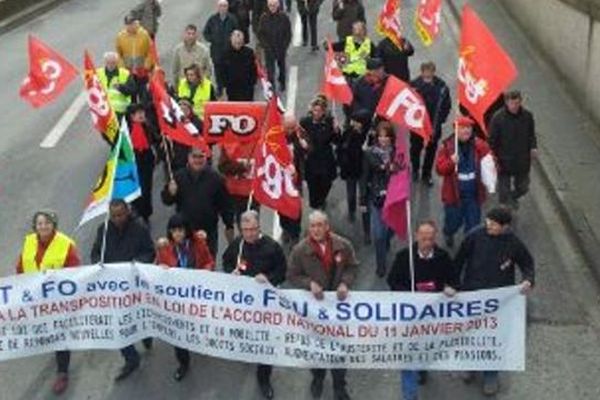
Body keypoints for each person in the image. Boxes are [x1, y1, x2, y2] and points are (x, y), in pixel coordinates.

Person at [454, 207, 535, 396]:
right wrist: (454, 285)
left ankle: (491, 375)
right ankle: (470, 366)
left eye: (493, 223)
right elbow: (458, 261)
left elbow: (527, 264)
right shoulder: (474, 236)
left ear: (505, 226)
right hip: (473, 295)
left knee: (493, 337)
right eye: (487, 221)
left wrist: (528, 280)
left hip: (499, 300)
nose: (488, 225)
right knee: (471, 334)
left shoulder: (514, 243)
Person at [287, 210, 358, 400]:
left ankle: (339, 385)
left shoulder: (343, 246)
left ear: (327, 227)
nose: (316, 229)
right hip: (315, 309)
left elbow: (352, 266)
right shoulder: (300, 250)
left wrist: (345, 282)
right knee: (316, 348)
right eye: (312, 226)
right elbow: (292, 275)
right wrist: (308, 284)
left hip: (337, 309)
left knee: (339, 348)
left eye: (320, 225)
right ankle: (317, 378)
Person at [387, 221, 456, 400]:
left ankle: (423, 366)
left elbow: (454, 280)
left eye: (430, 238)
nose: (427, 242)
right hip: (409, 316)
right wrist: (410, 296)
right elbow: (392, 281)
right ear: (417, 236)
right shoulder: (404, 256)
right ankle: (410, 395)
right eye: (423, 238)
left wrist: (450, 288)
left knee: (425, 347)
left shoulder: (443, 257)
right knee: (408, 357)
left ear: (435, 238)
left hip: (432, 316)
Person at [222, 210, 287, 399]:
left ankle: (264, 379)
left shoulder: (272, 247)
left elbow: (282, 272)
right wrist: (230, 273)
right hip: (245, 307)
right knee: (247, 337)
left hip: (266, 307)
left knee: (265, 343)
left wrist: (268, 277)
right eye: (245, 230)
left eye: (252, 229)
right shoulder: (237, 245)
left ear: (259, 227)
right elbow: (226, 263)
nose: (249, 234)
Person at [15, 210, 81, 395]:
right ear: (35, 226)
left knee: (61, 335)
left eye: (47, 223)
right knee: (47, 331)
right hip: (36, 299)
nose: (43, 227)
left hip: (58, 301)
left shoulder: (66, 244)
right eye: (39, 223)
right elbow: (21, 266)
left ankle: (62, 372)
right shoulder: (29, 241)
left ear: (54, 225)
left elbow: (75, 271)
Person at [90, 199, 156, 381]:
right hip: (113, 288)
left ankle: (146, 335)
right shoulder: (103, 230)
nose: (117, 219)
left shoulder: (140, 228)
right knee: (118, 325)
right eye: (114, 216)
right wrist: (98, 264)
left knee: (139, 316)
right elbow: (95, 253)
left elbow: (150, 252)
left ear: (127, 211)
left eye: (120, 215)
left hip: (135, 286)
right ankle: (131, 358)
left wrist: (137, 263)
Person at [155, 214, 214, 381]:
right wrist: (161, 268)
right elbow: (158, 266)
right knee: (178, 333)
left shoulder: (198, 243)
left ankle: (202, 343)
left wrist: (206, 271)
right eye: (173, 231)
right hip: (176, 301)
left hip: (196, 296)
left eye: (180, 230)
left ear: (186, 230)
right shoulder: (164, 247)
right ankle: (183, 364)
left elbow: (209, 261)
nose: (177, 234)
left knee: (198, 325)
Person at [161, 146, 235, 257]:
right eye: (194, 156)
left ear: (206, 157)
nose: (197, 160)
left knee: (207, 264)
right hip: (184, 233)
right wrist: (170, 193)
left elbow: (225, 205)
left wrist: (229, 224)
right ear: (188, 157)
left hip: (208, 232)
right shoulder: (178, 177)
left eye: (201, 156)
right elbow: (167, 201)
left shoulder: (216, 179)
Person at [435, 116, 496, 248]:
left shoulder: (480, 145)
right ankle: (448, 232)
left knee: (473, 225)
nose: (466, 131)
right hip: (454, 195)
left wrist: (492, 166)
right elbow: (439, 169)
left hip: (473, 194)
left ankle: (469, 249)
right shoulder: (447, 147)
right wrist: (451, 162)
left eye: (468, 128)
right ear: (456, 130)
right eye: (462, 128)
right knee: (453, 222)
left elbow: (492, 162)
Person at [488, 90, 537, 209]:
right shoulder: (498, 118)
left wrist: (533, 146)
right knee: (503, 192)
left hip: (522, 160)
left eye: (517, 103)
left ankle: (512, 197)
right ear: (506, 103)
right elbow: (492, 139)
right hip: (504, 160)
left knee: (523, 187)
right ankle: (504, 212)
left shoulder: (527, 116)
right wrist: (492, 155)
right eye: (512, 103)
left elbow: (531, 134)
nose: (515, 106)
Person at [360, 121, 397, 277]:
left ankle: (387, 240)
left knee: (392, 229)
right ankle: (381, 265)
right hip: (376, 199)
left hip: (394, 198)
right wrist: (362, 200)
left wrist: (397, 169)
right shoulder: (369, 153)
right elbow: (364, 177)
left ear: (391, 138)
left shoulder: (397, 153)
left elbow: (404, 173)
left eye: (386, 136)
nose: (383, 139)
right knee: (379, 234)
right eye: (380, 136)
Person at [410, 61, 451, 186]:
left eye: (430, 71)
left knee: (431, 150)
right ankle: (415, 170)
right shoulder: (413, 85)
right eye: (426, 71)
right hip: (418, 126)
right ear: (422, 72)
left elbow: (446, 106)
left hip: (434, 125)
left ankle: (426, 174)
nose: (428, 73)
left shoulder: (442, 86)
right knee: (415, 149)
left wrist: (441, 121)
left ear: (433, 71)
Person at [336, 109, 370, 242]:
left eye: (355, 121)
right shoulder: (348, 132)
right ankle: (351, 211)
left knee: (363, 199)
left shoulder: (369, 136)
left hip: (363, 173)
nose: (352, 123)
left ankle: (367, 229)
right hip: (350, 171)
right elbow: (341, 147)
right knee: (351, 195)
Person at [301, 97, 340, 210]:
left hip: (326, 159)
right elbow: (299, 135)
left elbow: (337, 141)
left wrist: (336, 131)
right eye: (315, 110)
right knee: (312, 186)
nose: (317, 113)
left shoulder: (329, 122)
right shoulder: (305, 122)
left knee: (326, 183)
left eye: (319, 110)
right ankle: (315, 205)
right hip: (311, 159)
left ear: (323, 111)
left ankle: (322, 200)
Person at [279, 112, 308, 244]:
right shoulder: (276, 138)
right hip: (280, 180)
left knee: (296, 207)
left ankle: (295, 234)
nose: (290, 130)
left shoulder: (299, 134)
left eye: (292, 127)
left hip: (296, 179)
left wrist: (305, 146)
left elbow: (309, 149)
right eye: (288, 128)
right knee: (282, 208)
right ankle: (285, 228)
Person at [127, 103, 159, 223]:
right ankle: (136, 209)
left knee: (146, 188)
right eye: (138, 113)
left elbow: (156, 138)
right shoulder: (127, 128)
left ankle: (146, 213)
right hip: (133, 161)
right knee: (135, 188)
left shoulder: (147, 126)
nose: (141, 115)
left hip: (147, 160)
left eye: (142, 112)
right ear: (132, 116)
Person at [203, 0, 239, 97]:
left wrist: (233, 42)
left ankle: (229, 88)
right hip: (216, 51)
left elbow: (237, 32)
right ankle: (220, 88)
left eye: (225, 6)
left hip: (229, 51)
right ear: (218, 7)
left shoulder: (232, 19)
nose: (223, 8)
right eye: (221, 6)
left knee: (229, 70)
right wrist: (213, 39)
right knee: (218, 71)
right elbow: (206, 32)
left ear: (227, 7)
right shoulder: (212, 19)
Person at [258, 0, 292, 92]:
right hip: (269, 49)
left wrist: (284, 46)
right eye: (270, 5)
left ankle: (282, 82)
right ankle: (271, 85)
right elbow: (261, 34)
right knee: (270, 70)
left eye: (274, 5)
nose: (272, 7)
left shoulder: (284, 17)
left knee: (282, 67)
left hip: (280, 47)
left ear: (278, 5)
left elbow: (288, 33)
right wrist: (265, 46)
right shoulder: (264, 18)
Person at [96, 52, 136, 122]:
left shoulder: (125, 73)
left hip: (120, 112)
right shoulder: (98, 73)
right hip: (104, 111)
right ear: (105, 62)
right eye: (108, 62)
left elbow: (132, 90)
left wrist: (121, 87)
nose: (111, 65)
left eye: (113, 63)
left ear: (117, 62)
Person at [350, 58, 388, 131]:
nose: (382, 72)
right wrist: (358, 116)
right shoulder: (359, 84)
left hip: (382, 124)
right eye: (379, 70)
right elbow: (352, 102)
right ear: (371, 72)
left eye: (382, 69)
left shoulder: (388, 81)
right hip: (363, 122)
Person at [115, 14, 154, 80]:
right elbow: (118, 54)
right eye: (129, 24)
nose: (131, 26)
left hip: (142, 70)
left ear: (137, 23)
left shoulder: (144, 34)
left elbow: (150, 51)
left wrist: (147, 66)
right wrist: (122, 68)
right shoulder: (120, 37)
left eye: (133, 23)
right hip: (127, 70)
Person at [222, 30, 257, 101]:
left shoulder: (249, 53)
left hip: (247, 88)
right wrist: (224, 84)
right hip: (232, 88)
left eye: (239, 42)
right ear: (231, 40)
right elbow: (222, 70)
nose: (237, 44)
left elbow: (253, 69)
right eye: (235, 42)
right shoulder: (225, 53)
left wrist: (252, 82)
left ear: (243, 42)